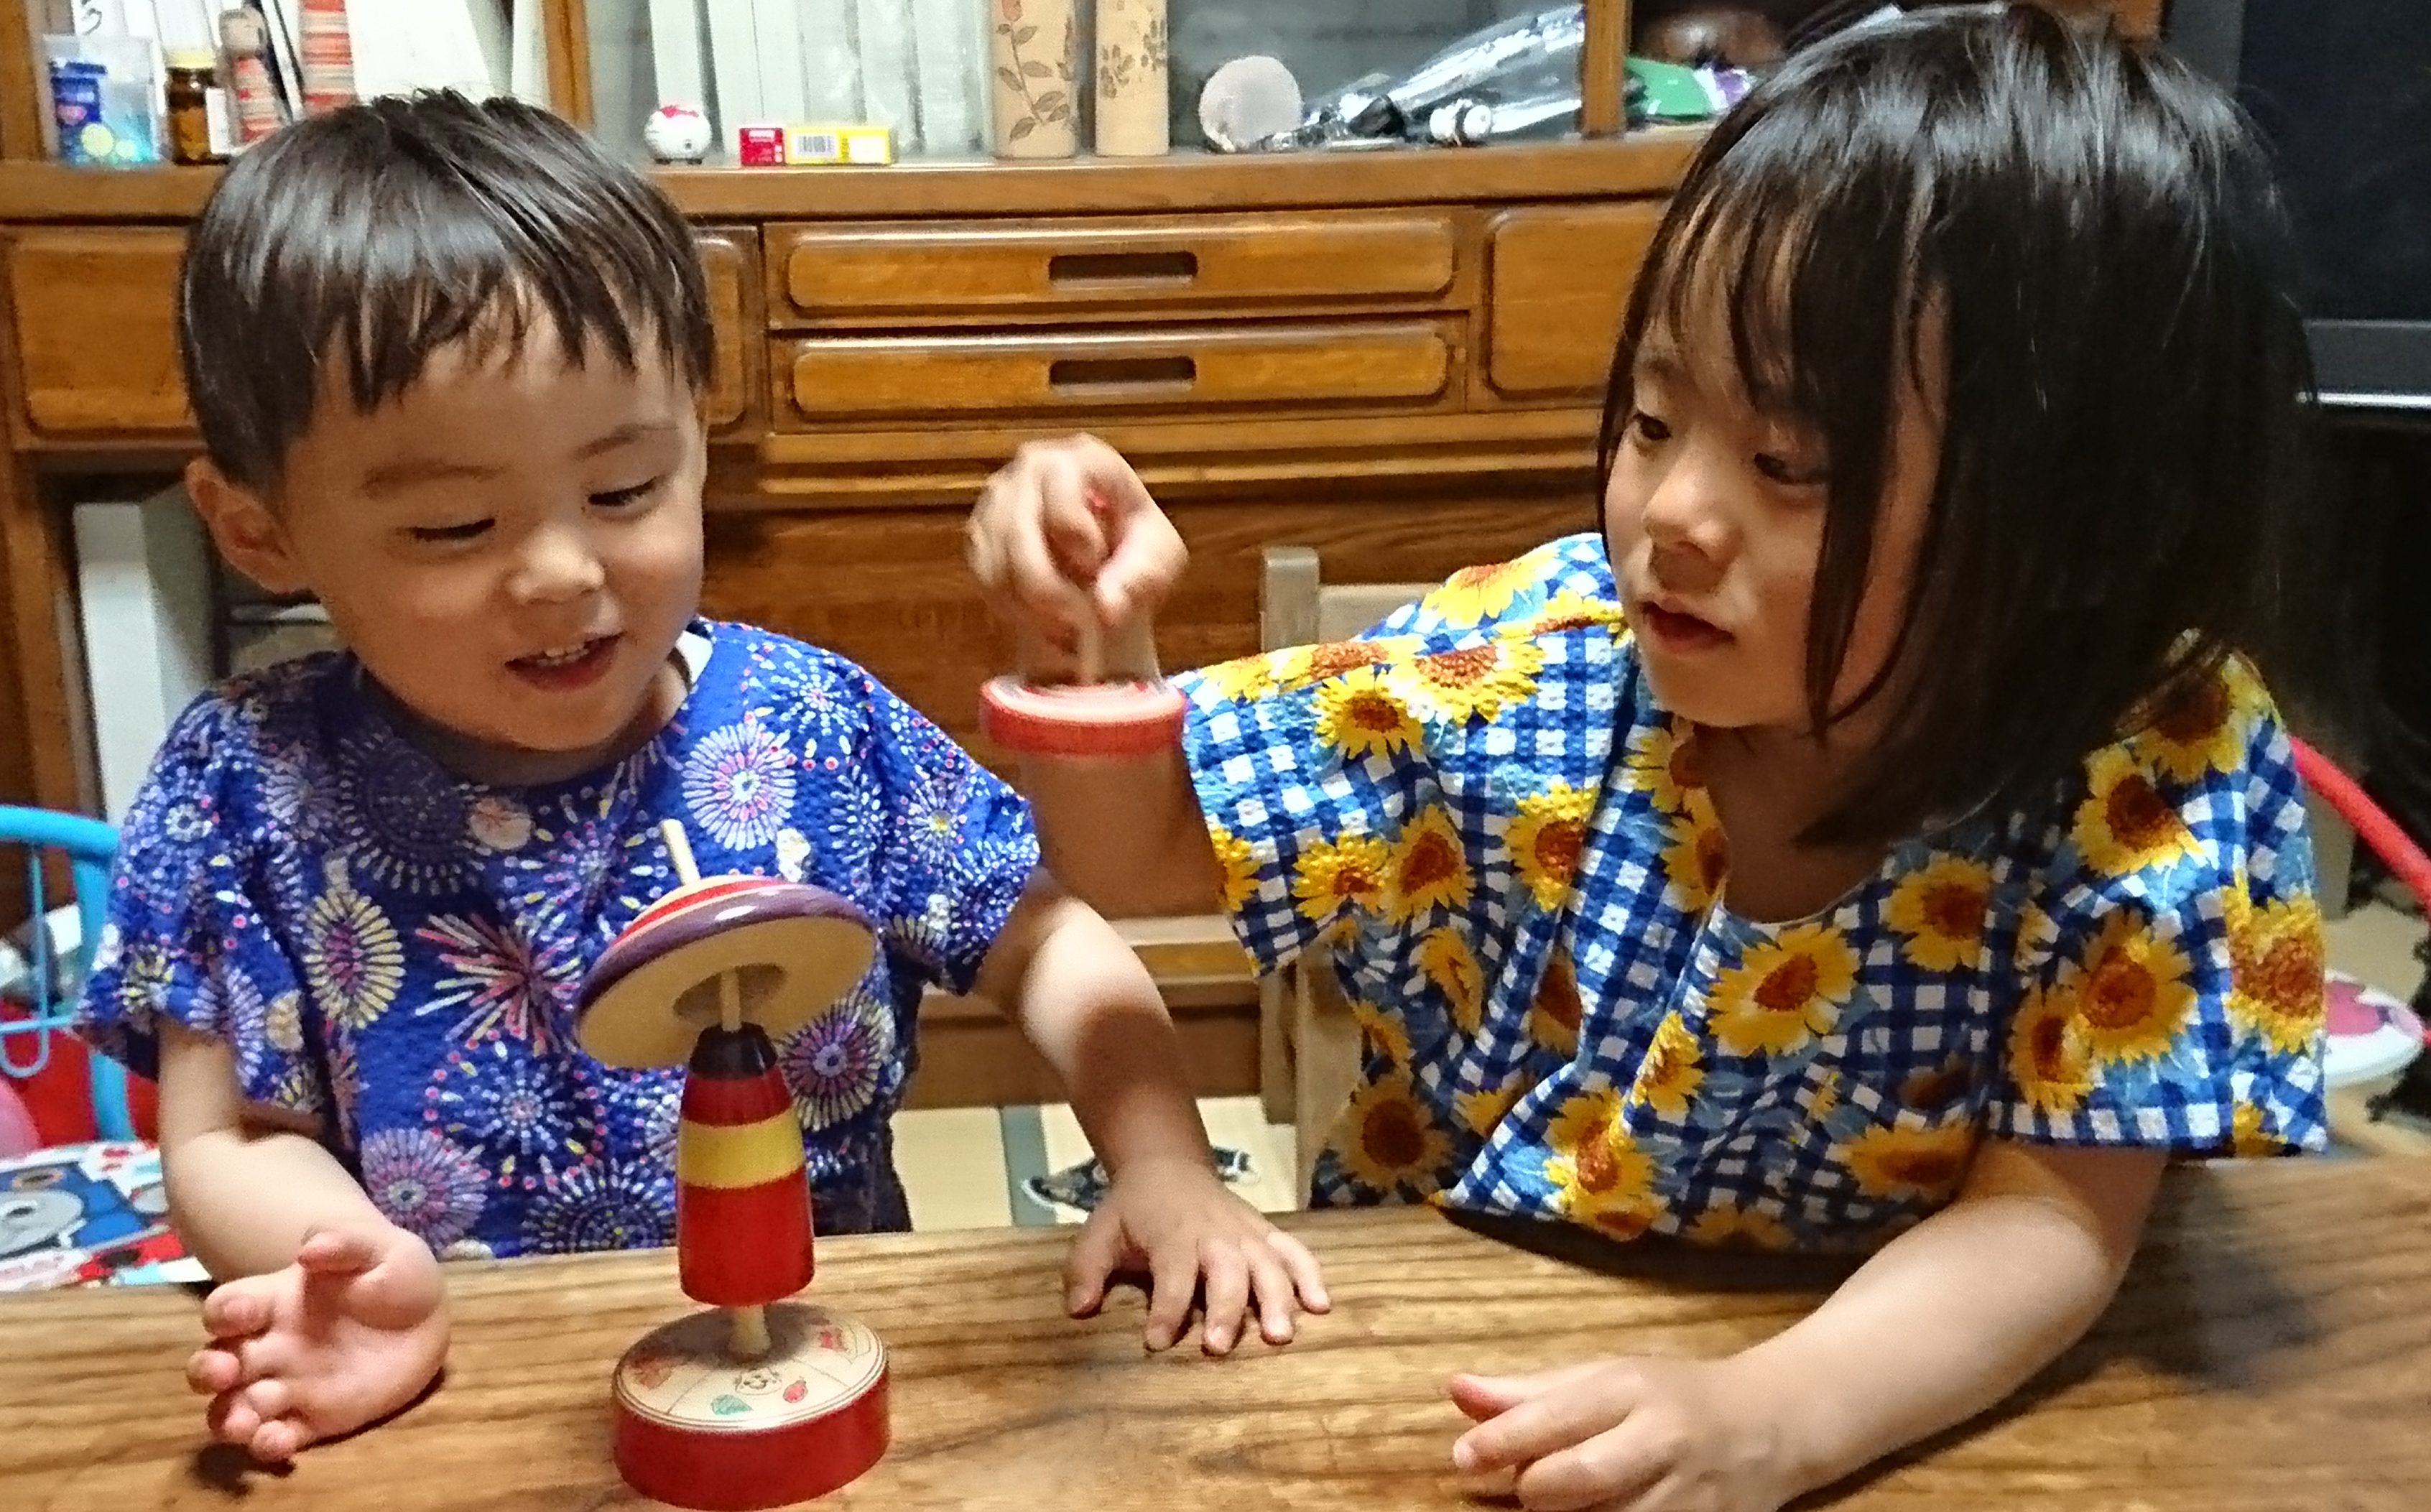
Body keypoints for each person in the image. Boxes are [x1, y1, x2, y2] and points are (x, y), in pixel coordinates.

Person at [967, 9, 2335, 1509]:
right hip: (1438, 1356)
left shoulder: (2157, 768)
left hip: (1910, 1394)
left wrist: (1771, 1416)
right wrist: (1092, 649)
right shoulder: (1534, 671)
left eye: (1788, 462)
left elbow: (2053, 1217)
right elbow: (1130, 853)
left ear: (2085, 532)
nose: (1669, 511)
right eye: (1655, 416)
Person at [77, 91, 1325, 1467]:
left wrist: (1162, 1164)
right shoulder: (249, 785)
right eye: (454, 524)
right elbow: (229, 1138)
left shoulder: (806, 726)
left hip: (828, 1386)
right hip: (472, 1401)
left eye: (624, 491)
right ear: (258, 528)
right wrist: (358, 1272)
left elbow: (1050, 943)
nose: (565, 571)